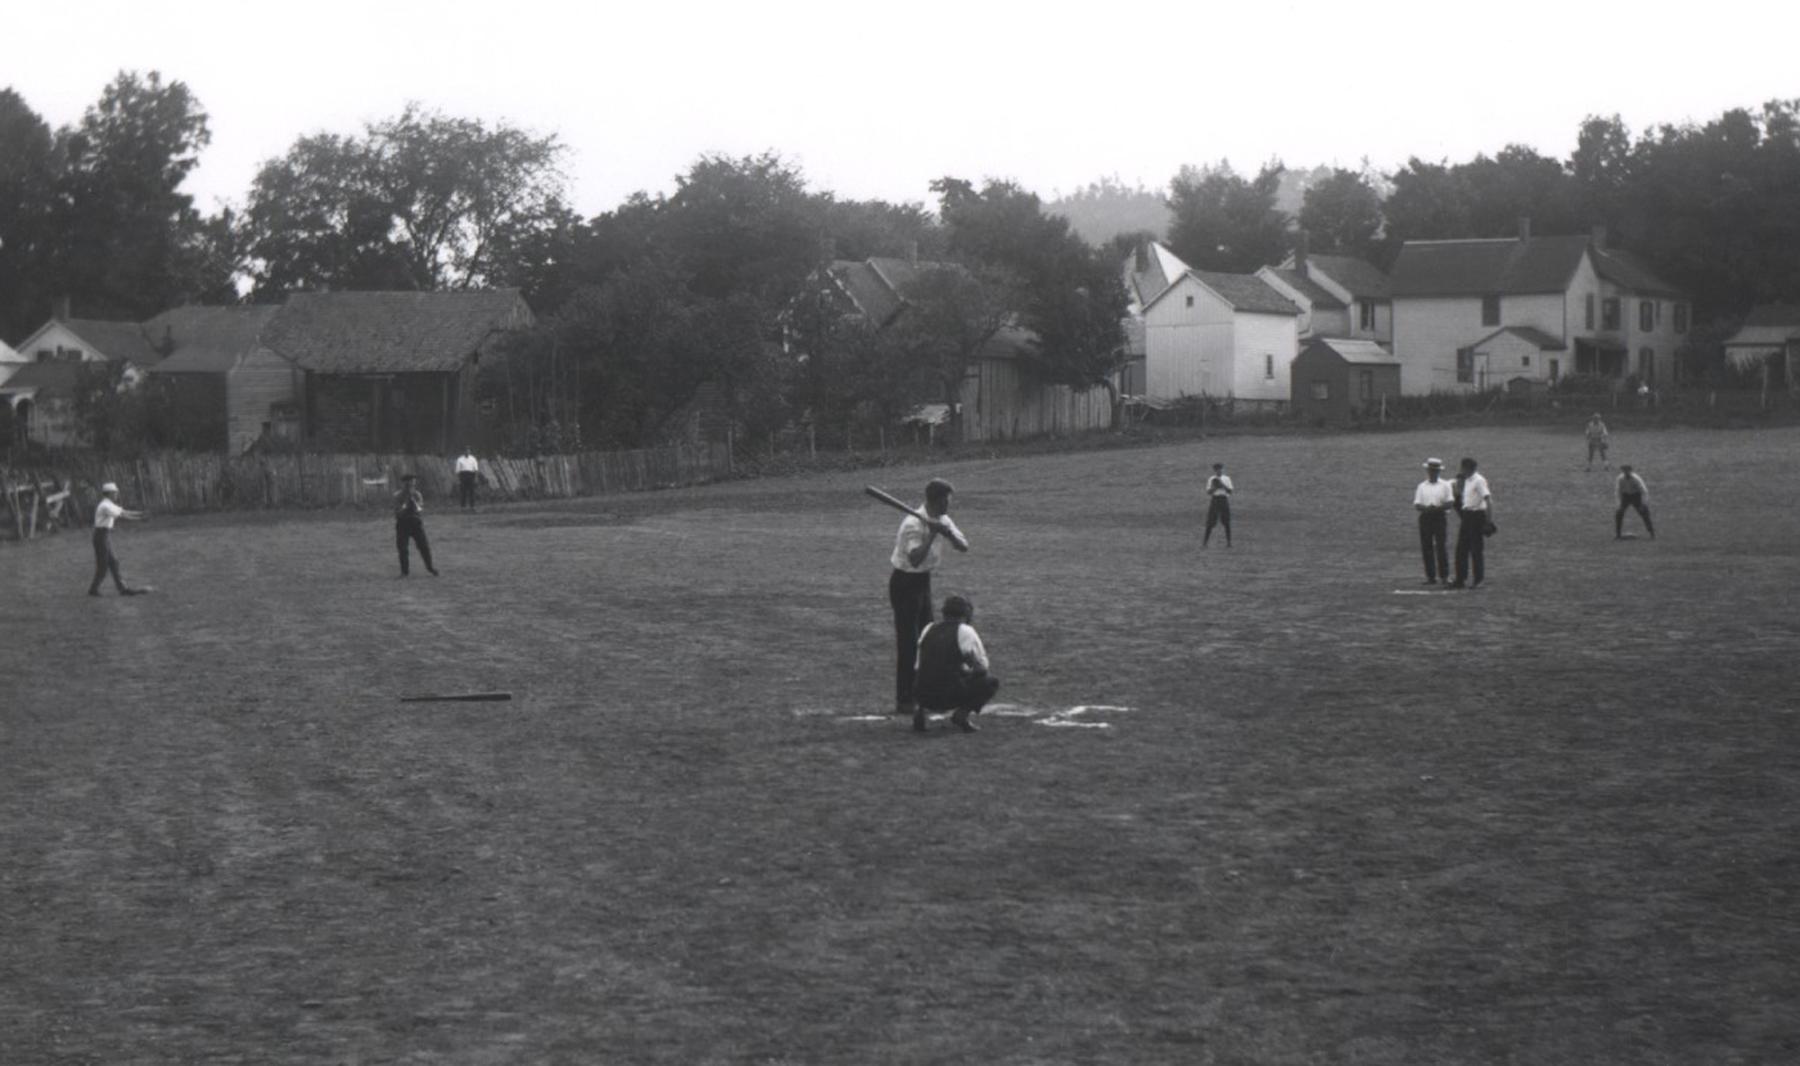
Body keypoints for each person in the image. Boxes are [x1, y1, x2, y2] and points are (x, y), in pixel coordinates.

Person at [888, 478, 968, 717]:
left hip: (923, 582)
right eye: (946, 500)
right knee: (908, 643)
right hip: (904, 583)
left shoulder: (943, 519)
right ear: (936, 500)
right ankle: (904, 700)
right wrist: (932, 535)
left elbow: (964, 546)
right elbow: (914, 559)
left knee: (928, 640)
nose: (949, 505)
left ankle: (925, 694)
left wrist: (948, 533)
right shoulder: (912, 524)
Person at [913, 595, 1000, 734]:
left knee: (930, 673)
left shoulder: (928, 628)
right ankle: (962, 715)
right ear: (966, 614)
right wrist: (965, 670)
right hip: (946, 696)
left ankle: (921, 710)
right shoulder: (965, 631)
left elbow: (918, 666)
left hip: (920, 693)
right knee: (990, 682)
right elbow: (982, 668)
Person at [87, 482, 146, 596]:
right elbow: (123, 516)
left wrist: (141, 514)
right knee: (103, 566)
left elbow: (123, 511)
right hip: (101, 536)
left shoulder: (109, 503)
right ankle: (93, 589)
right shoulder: (105, 506)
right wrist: (139, 519)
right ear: (109, 493)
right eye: (115, 492)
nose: (117, 494)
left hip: (104, 536)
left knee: (114, 563)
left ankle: (123, 589)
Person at [1449, 457, 1494, 590]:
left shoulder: (1479, 481)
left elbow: (1488, 500)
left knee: (1476, 550)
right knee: (1461, 549)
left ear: (1466, 468)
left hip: (1476, 515)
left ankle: (1478, 580)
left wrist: (1488, 521)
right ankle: (1460, 579)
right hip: (1467, 515)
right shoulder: (1466, 481)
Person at [1412, 457, 1456, 585]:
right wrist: (1428, 509)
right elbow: (1417, 504)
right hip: (1426, 517)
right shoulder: (1421, 486)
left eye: (1435, 470)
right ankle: (1430, 576)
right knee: (1427, 547)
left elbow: (1450, 502)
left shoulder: (1445, 485)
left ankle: (1444, 575)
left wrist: (1436, 509)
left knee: (1441, 546)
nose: (1433, 473)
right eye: (1431, 470)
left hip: (1439, 517)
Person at [394, 473, 438, 576]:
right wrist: (405, 505)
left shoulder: (417, 494)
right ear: (404, 483)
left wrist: (414, 504)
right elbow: (398, 512)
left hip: (415, 523)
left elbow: (419, 509)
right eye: (409, 482)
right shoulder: (398, 495)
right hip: (403, 523)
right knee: (403, 548)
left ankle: (430, 567)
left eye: (413, 482)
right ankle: (404, 572)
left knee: (424, 546)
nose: (411, 484)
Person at [1615, 464, 1655, 539]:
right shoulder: (1620, 479)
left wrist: (1643, 504)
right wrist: (1619, 505)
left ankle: (1652, 533)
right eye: (1624, 471)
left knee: (1644, 513)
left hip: (1636, 496)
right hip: (1626, 496)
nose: (1626, 472)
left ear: (1630, 471)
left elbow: (1644, 491)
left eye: (1627, 470)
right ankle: (1618, 534)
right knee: (1619, 514)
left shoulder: (1636, 479)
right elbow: (1618, 491)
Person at [1203, 462, 1233, 547]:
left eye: (1220, 469)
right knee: (1210, 522)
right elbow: (1209, 492)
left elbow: (1230, 491)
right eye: (1217, 470)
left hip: (1223, 499)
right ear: (1215, 470)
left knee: (1226, 521)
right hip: (1215, 500)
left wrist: (1222, 485)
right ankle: (1205, 542)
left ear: (1222, 469)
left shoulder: (1227, 479)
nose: (1219, 471)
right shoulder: (1211, 479)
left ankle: (1229, 542)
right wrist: (1215, 487)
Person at [454, 446, 481, 510]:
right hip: (463, 475)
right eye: (466, 451)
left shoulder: (473, 459)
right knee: (463, 492)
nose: (467, 452)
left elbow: (476, 469)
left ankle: (472, 506)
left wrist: (476, 478)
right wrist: (458, 479)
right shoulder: (460, 459)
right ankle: (463, 507)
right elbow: (457, 470)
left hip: (471, 475)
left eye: (468, 451)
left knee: (472, 492)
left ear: (470, 451)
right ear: (463, 452)